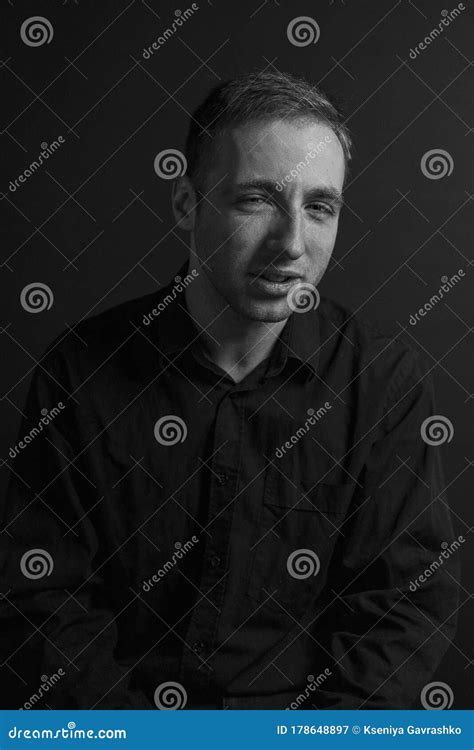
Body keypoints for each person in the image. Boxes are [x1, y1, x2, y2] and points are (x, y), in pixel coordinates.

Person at [0, 70, 459, 710]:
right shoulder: (79, 372)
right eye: (257, 200)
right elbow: (40, 597)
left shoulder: (383, 382)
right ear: (186, 204)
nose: (292, 242)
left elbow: (405, 606)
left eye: (319, 207)